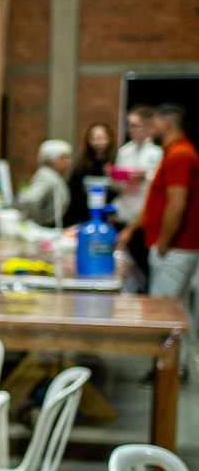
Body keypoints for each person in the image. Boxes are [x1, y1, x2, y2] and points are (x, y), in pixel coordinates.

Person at [117, 103, 199, 373]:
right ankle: (177, 367)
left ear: (167, 125)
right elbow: (158, 200)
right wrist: (132, 228)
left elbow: (177, 205)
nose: (150, 129)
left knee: (163, 311)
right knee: (177, 307)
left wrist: (163, 244)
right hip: (175, 245)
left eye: (153, 124)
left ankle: (167, 371)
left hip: (175, 247)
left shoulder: (180, 155)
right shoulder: (173, 152)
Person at [112, 104, 163, 292]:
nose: (131, 130)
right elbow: (116, 187)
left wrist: (144, 177)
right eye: (129, 125)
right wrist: (116, 177)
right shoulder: (124, 151)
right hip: (125, 213)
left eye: (135, 125)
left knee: (146, 268)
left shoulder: (157, 152)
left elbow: (160, 187)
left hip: (145, 218)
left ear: (148, 126)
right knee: (125, 269)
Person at [64, 123, 115, 225]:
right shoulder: (83, 164)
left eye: (102, 138)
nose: (99, 142)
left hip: (107, 217)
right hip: (83, 217)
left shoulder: (116, 163)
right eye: (95, 139)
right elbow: (73, 191)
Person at [18, 139, 73, 227]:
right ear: (52, 159)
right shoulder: (47, 177)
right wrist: (37, 226)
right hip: (47, 228)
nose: (69, 161)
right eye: (64, 157)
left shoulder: (54, 176)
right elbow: (31, 200)